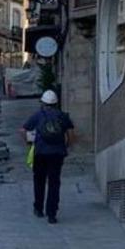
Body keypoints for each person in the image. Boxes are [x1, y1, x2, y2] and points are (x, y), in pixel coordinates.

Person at [20, 90, 74, 224]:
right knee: (54, 183)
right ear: (56, 103)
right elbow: (71, 134)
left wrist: (29, 142)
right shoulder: (63, 116)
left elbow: (22, 130)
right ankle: (52, 214)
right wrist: (66, 146)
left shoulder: (38, 115)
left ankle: (38, 208)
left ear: (43, 103)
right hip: (57, 153)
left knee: (39, 181)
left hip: (40, 153)